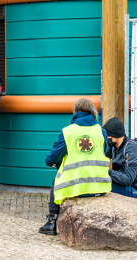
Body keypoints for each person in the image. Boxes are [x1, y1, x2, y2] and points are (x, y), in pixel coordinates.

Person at [39, 98, 111, 235]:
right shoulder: (101, 131)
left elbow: (49, 160)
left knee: (56, 181)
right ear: (92, 112)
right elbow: (105, 152)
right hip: (99, 186)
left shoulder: (69, 132)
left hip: (75, 187)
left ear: (76, 112)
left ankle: (51, 221)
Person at [103, 117, 137, 198]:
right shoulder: (113, 146)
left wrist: (107, 172)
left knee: (104, 184)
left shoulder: (131, 148)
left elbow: (128, 179)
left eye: (107, 136)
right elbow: (102, 156)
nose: (106, 138)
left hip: (133, 189)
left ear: (116, 136)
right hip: (122, 185)